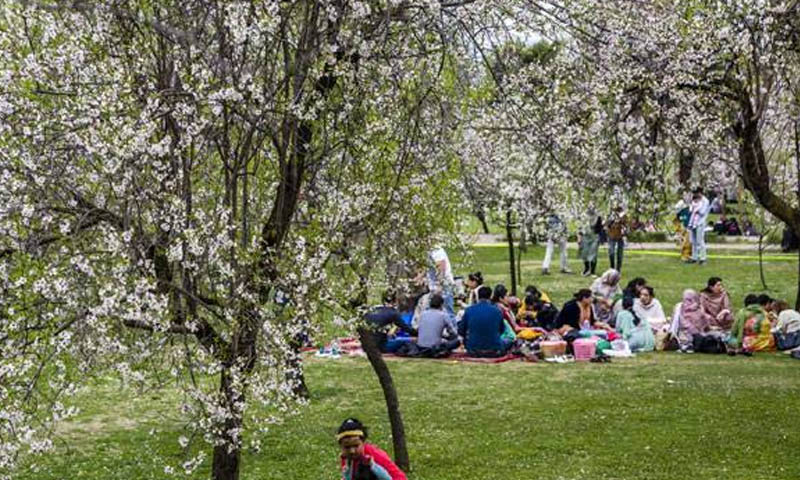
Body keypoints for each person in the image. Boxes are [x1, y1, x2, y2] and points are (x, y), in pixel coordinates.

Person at [337, 418, 407, 480]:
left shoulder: (374, 455)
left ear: (363, 442)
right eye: (347, 447)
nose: (352, 451)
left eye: (356, 446)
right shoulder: (347, 458)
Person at [458, 286, 510, 357]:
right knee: (509, 341)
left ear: (478, 296)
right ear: (490, 296)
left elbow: (461, 331)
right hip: (494, 350)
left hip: (473, 350)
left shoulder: (469, 310)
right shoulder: (497, 311)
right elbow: (502, 330)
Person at [426, 246, 455, 318]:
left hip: (443, 286)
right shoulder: (426, 250)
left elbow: (441, 266)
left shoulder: (435, 249)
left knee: (447, 312)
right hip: (434, 286)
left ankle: (451, 325)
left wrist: (439, 284)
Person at [687, 188, 710, 264]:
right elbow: (690, 209)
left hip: (700, 222)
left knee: (700, 240)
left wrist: (696, 208)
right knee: (693, 241)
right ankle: (694, 257)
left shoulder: (705, 201)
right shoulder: (695, 200)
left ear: (700, 193)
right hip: (693, 222)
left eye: (696, 193)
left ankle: (703, 258)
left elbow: (702, 212)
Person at [578, 210, 603, 277]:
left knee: (593, 255)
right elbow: (580, 228)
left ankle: (592, 272)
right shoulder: (583, 217)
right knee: (584, 254)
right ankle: (586, 269)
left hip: (594, 237)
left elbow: (600, 229)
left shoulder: (598, 217)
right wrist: (579, 238)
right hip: (585, 237)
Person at [605, 205, 628, 272]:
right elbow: (606, 225)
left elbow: (626, 225)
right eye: (615, 210)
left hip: (620, 237)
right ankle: (612, 267)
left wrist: (621, 219)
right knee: (611, 252)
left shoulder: (624, 216)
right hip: (611, 236)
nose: (616, 211)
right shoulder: (610, 216)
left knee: (619, 254)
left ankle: (618, 269)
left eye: (618, 210)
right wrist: (612, 220)